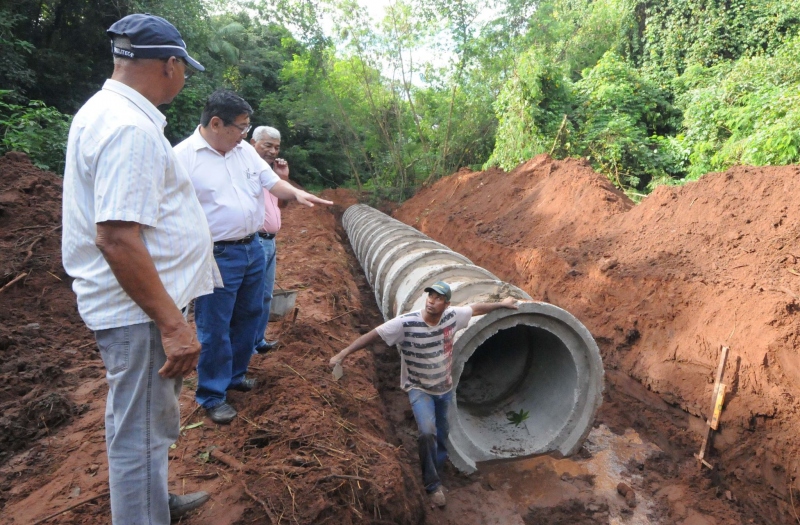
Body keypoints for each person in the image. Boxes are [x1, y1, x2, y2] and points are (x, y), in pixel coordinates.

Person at [62, 14, 213, 524]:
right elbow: (117, 237)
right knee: (140, 433)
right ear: (170, 65)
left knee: (146, 422)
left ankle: (153, 502)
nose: (184, 77)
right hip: (141, 313)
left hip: (137, 308)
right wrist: (173, 323)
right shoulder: (130, 128)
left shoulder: (106, 112)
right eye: (184, 67)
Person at [174, 90, 332, 425]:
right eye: (242, 127)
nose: (246, 134)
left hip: (251, 249)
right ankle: (212, 395)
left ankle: (235, 376)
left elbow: (271, 183)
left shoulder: (243, 151)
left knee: (250, 313)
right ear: (216, 123)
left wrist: (298, 194)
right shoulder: (183, 158)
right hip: (216, 255)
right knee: (215, 326)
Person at [329, 281, 518, 507]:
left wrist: (502, 304)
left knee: (442, 432)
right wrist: (342, 354)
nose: (432, 301)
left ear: (446, 304)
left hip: (444, 389)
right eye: (430, 296)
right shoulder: (406, 323)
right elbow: (374, 334)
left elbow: (476, 308)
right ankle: (432, 485)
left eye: (438, 298)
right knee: (427, 432)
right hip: (420, 390)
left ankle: (437, 466)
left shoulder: (452, 316)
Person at [250, 126, 288, 354]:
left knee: (265, 296)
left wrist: (284, 179)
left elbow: (281, 204)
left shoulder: (270, 173)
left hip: (270, 242)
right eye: (268, 145)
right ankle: (246, 346)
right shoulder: (246, 171)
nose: (273, 151)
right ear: (254, 143)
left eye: (276, 147)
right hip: (254, 241)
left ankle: (258, 340)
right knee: (251, 297)